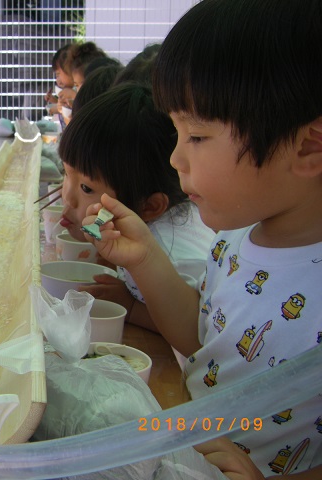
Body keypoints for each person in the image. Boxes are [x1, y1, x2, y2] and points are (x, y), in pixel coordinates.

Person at [82, 0, 322, 477]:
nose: (176, 159)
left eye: (196, 136)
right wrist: (145, 259)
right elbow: (203, 338)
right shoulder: (235, 239)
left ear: (306, 148)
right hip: (187, 446)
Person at [58, 83, 215, 331]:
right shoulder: (148, 228)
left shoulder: (169, 255)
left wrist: (133, 308)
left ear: (150, 207)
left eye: (86, 188)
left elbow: (202, 328)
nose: (67, 197)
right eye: (66, 174)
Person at [44, 44, 75, 117]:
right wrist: (54, 100)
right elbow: (63, 106)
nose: (57, 80)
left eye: (58, 74)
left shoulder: (75, 91)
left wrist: (73, 94)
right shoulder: (68, 91)